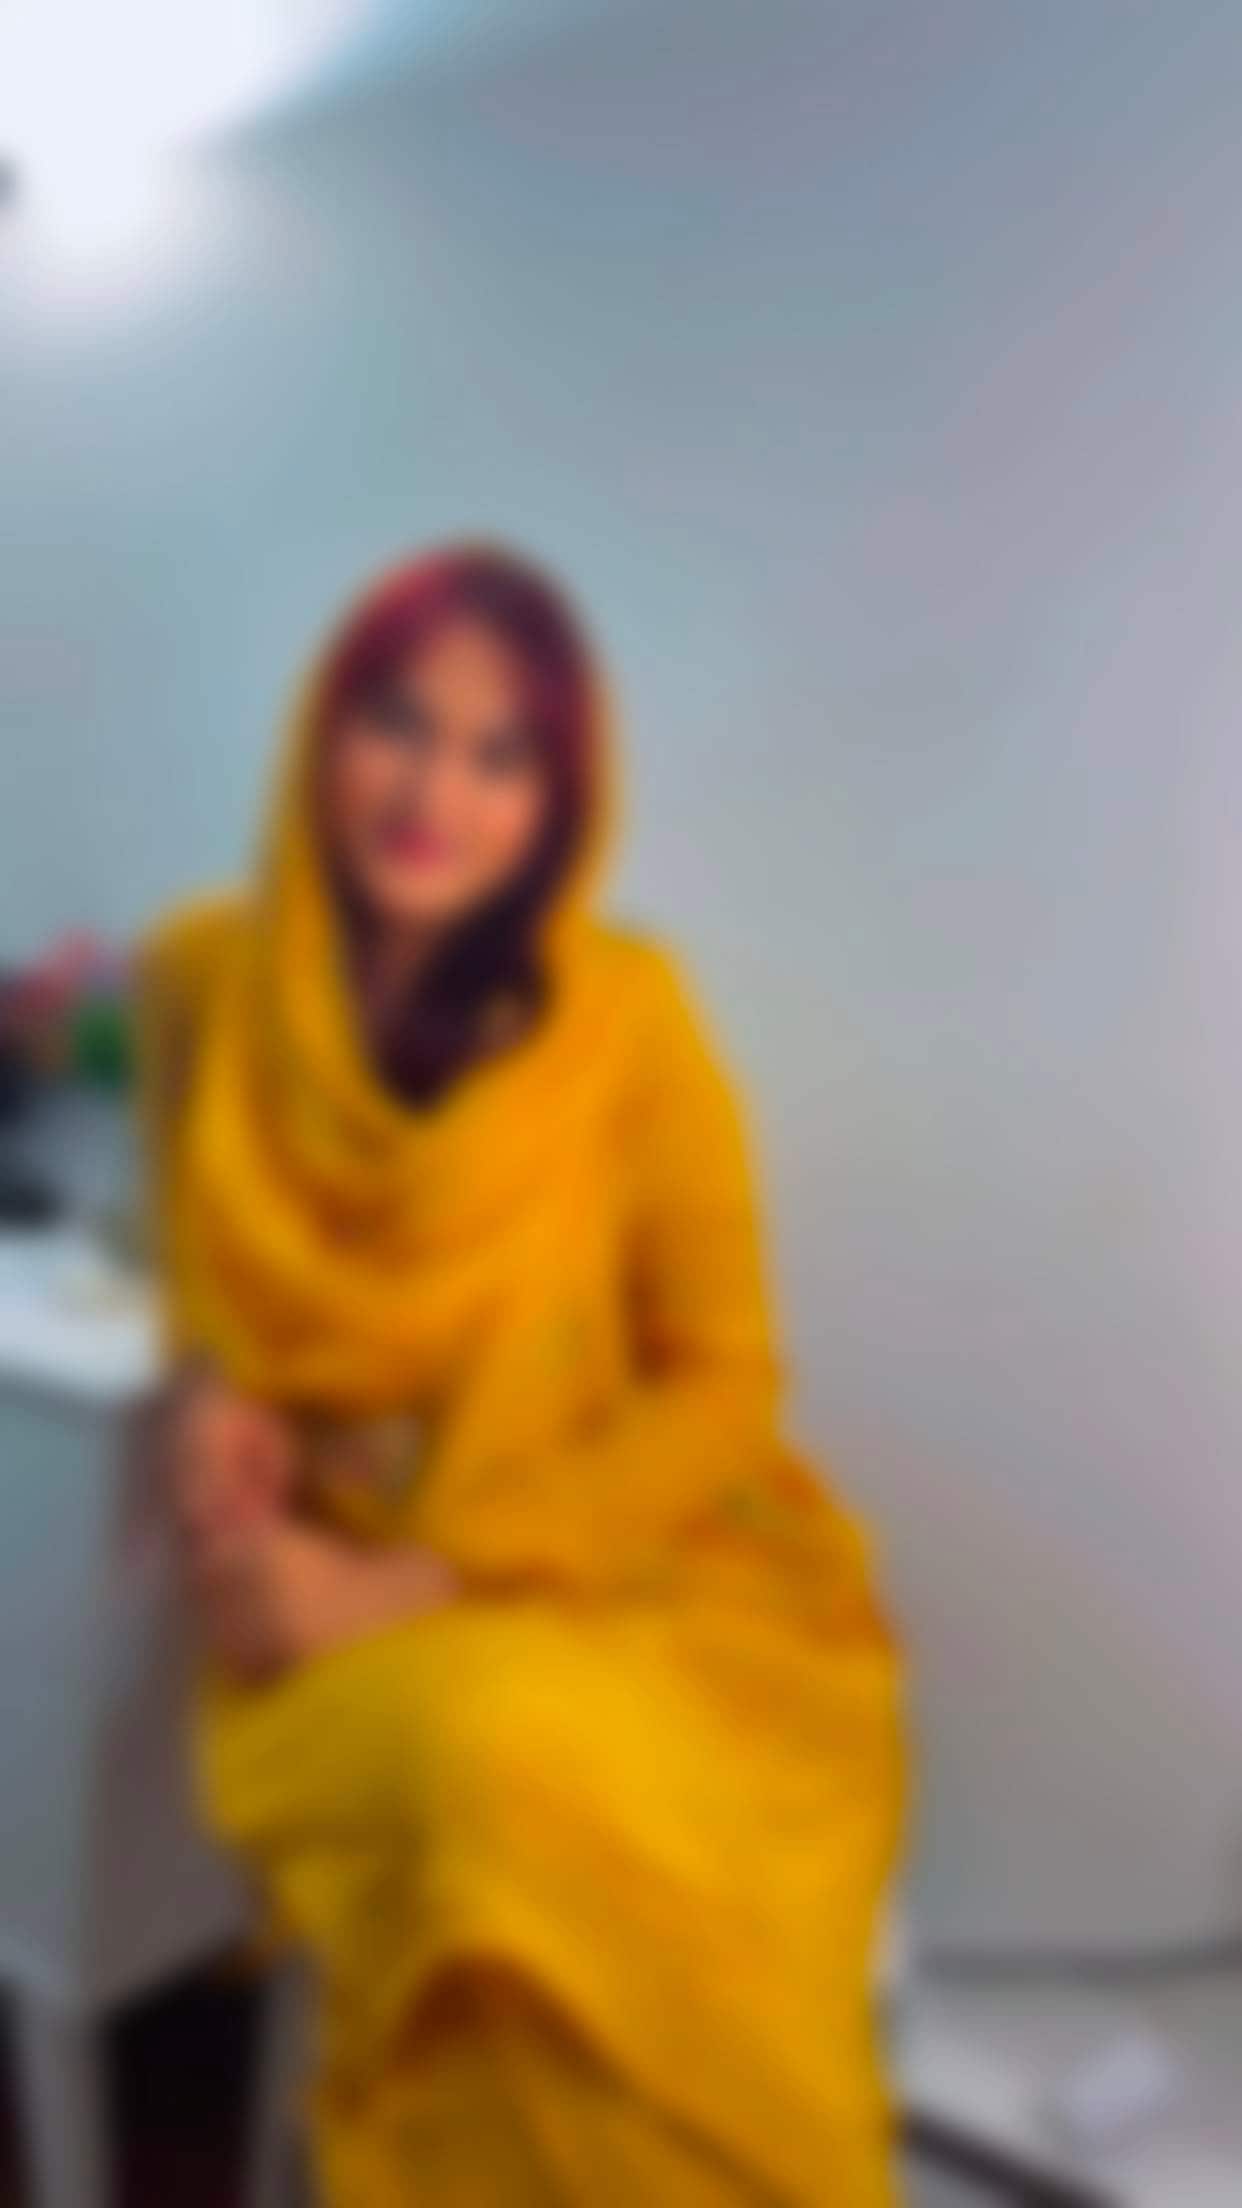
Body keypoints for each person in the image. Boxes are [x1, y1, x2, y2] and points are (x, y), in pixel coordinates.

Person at [138, 543, 905, 2205]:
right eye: (398, 725)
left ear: (561, 803)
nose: (435, 796)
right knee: (483, 1775)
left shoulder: (623, 1023)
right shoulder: (202, 976)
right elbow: (198, 1266)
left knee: (570, 1828)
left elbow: (723, 1389)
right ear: (322, 728)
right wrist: (212, 1402)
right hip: (302, 1601)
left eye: (501, 757)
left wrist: (415, 1580)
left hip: (603, 1568)